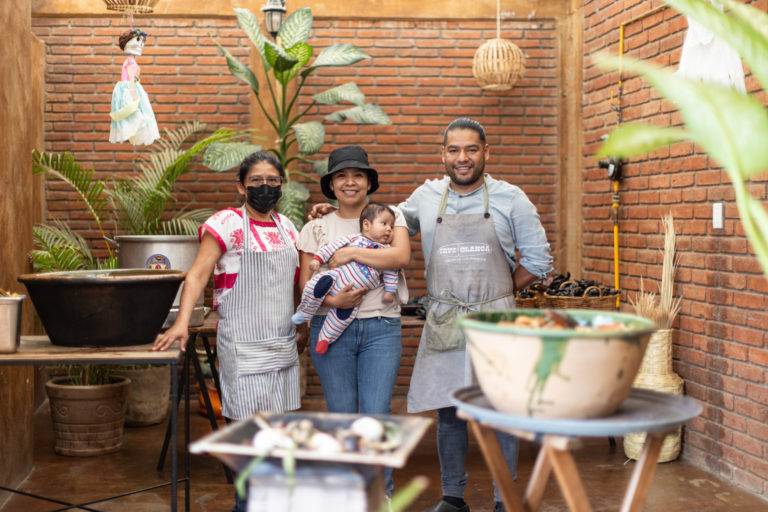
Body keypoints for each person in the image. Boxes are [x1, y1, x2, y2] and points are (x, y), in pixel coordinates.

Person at [400, 118, 554, 512]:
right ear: (443, 155)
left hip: (496, 321)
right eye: (454, 150)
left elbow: (538, 260)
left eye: (471, 149)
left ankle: (505, 499)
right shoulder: (426, 196)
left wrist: (498, 293)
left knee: (500, 409)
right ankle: (453, 497)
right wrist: (334, 217)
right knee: (449, 409)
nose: (462, 158)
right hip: (445, 317)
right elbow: (386, 225)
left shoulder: (511, 198)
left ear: (486, 153)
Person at [153, 151, 306, 512]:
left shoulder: (289, 228)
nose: (264, 188)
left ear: (282, 185)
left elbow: (299, 280)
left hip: (282, 343)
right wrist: (181, 323)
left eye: (273, 181)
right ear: (241, 186)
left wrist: (304, 322)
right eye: (255, 181)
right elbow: (198, 274)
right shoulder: (226, 223)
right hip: (243, 344)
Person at [297, 145, 410, 496]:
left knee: (376, 417)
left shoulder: (391, 217)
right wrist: (334, 299)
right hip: (331, 331)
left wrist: (349, 253)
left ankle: (380, 497)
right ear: (330, 184)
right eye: (341, 176)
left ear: (369, 182)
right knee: (342, 418)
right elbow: (305, 284)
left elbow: (400, 256)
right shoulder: (315, 227)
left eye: (357, 175)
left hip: (381, 328)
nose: (350, 182)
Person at [292, 203, 398, 354]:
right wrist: (317, 259)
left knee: (342, 318)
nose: (389, 229)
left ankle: (325, 339)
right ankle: (304, 312)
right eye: (384, 224)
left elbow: (391, 271)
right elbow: (332, 247)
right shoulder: (355, 239)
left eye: (392, 227)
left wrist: (390, 290)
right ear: (366, 225)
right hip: (336, 277)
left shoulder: (386, 251)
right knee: (315, 285)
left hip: (356, 293)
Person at [109, 28, 160, 145]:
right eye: (138, 40)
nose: (141, 44)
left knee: (139, 114)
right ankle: (133, 131)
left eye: (142, 41)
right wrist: (133, 94)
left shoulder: (131, 61)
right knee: (136, 114)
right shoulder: (130, 62)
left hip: (133, 87)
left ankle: (135, 132)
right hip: (130, 88)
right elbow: (131, 79)